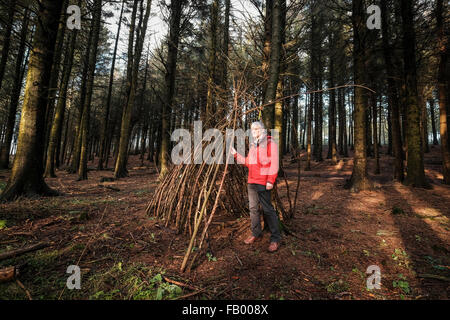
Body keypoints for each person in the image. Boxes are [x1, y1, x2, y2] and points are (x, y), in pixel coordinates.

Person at [230, 121, 281, 252]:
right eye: (253, 130)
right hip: (251, 181)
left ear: (263, 130)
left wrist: (271, 180)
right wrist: (235, 154)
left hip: (263, 181)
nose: (255, 132)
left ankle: (275, 239)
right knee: (253, 208)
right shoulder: (253, 145)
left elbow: (274, 163)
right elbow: (248, 162)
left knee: (267, 209)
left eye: (257, 129)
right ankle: (256, 233)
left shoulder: (271, 144)